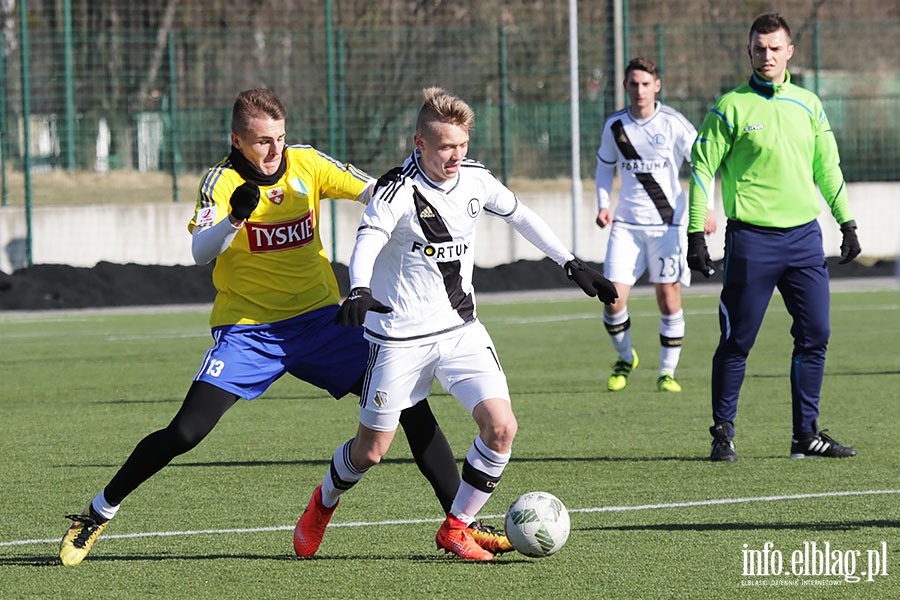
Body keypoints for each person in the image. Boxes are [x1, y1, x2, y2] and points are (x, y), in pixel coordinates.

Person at [58, 88, 510, 567]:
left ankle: (463, 526)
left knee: (412, 409)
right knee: (186, 432)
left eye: (280, 138)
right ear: (237, 140)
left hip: (322, 322)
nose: (274, 150)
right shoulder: (221, 180)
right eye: (261, 141)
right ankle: (97, 511)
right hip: (250, 330)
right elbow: (199, 252)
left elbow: (379, 190)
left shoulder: (306, 163)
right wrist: (234, 216)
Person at [292, 87, 617, 561]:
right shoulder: (396, 189)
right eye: (446, 147)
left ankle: (458, 526)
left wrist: (571, 263)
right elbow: (368, 238)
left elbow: (521, 216)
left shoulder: (476, 179)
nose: (456, 156)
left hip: (460, 331)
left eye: (462, 145)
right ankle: (323, 503)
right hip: (398, 338)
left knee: (501, 427)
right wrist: (358, 287)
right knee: (370, 452)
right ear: (419, 143)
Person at [687, 13, 861, 461]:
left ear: (790, 52)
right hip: (751, 241)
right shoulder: (730, 107)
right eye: (759, 48)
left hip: (804, 240)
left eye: (775, 48)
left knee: (815, 334)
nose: (767, 55)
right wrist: (695, 233)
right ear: (750, 51)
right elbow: (702, 170)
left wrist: (847, 222)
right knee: (737, 340)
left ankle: (806, 435)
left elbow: (828, 168)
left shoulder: (810, 103)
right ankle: (722, 432)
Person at [594, 57, 716, 393]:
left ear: (657, 86)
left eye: (646, 84)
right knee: (611, 298)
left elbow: (702, 165)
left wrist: (707, 209)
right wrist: (603, 204)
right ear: (625, 87)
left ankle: (667, 372)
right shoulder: (615, 126)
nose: (639, 90)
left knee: (668, 298)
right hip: (627, 225)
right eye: (633, 84)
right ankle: (624, 357)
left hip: (668, 225)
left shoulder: (674, 123)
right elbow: (605, 167)